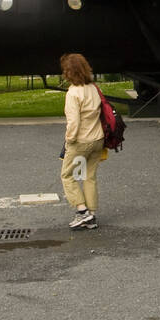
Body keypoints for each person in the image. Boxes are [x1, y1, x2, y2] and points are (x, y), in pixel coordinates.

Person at [60, 52, 104, 229]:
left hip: (81, 141)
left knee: (67, 175)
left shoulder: (73, 93)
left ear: (68, 72)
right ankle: (91, 215)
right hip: (98, 139)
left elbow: (73, 123)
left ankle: (82, 211)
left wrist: (69, 141)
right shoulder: (93, 88)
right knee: (89, 176)